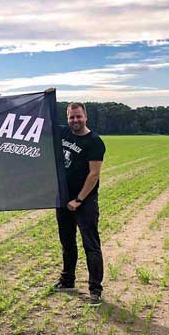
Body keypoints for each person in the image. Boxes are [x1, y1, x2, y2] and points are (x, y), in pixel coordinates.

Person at [55, 102, 106, 306]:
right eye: (71, 117)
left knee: (91, 245)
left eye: (78, 116)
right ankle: (67, 280)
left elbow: (94, 174)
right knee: (67, 243)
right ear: (67, 118)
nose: (75, 121)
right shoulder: (64, 133)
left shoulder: (94, 142)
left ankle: (95, 290)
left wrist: (78, 200)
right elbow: (40, 122)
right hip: (63, 199)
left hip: (84, 202)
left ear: (86, 117)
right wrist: (47, 97)